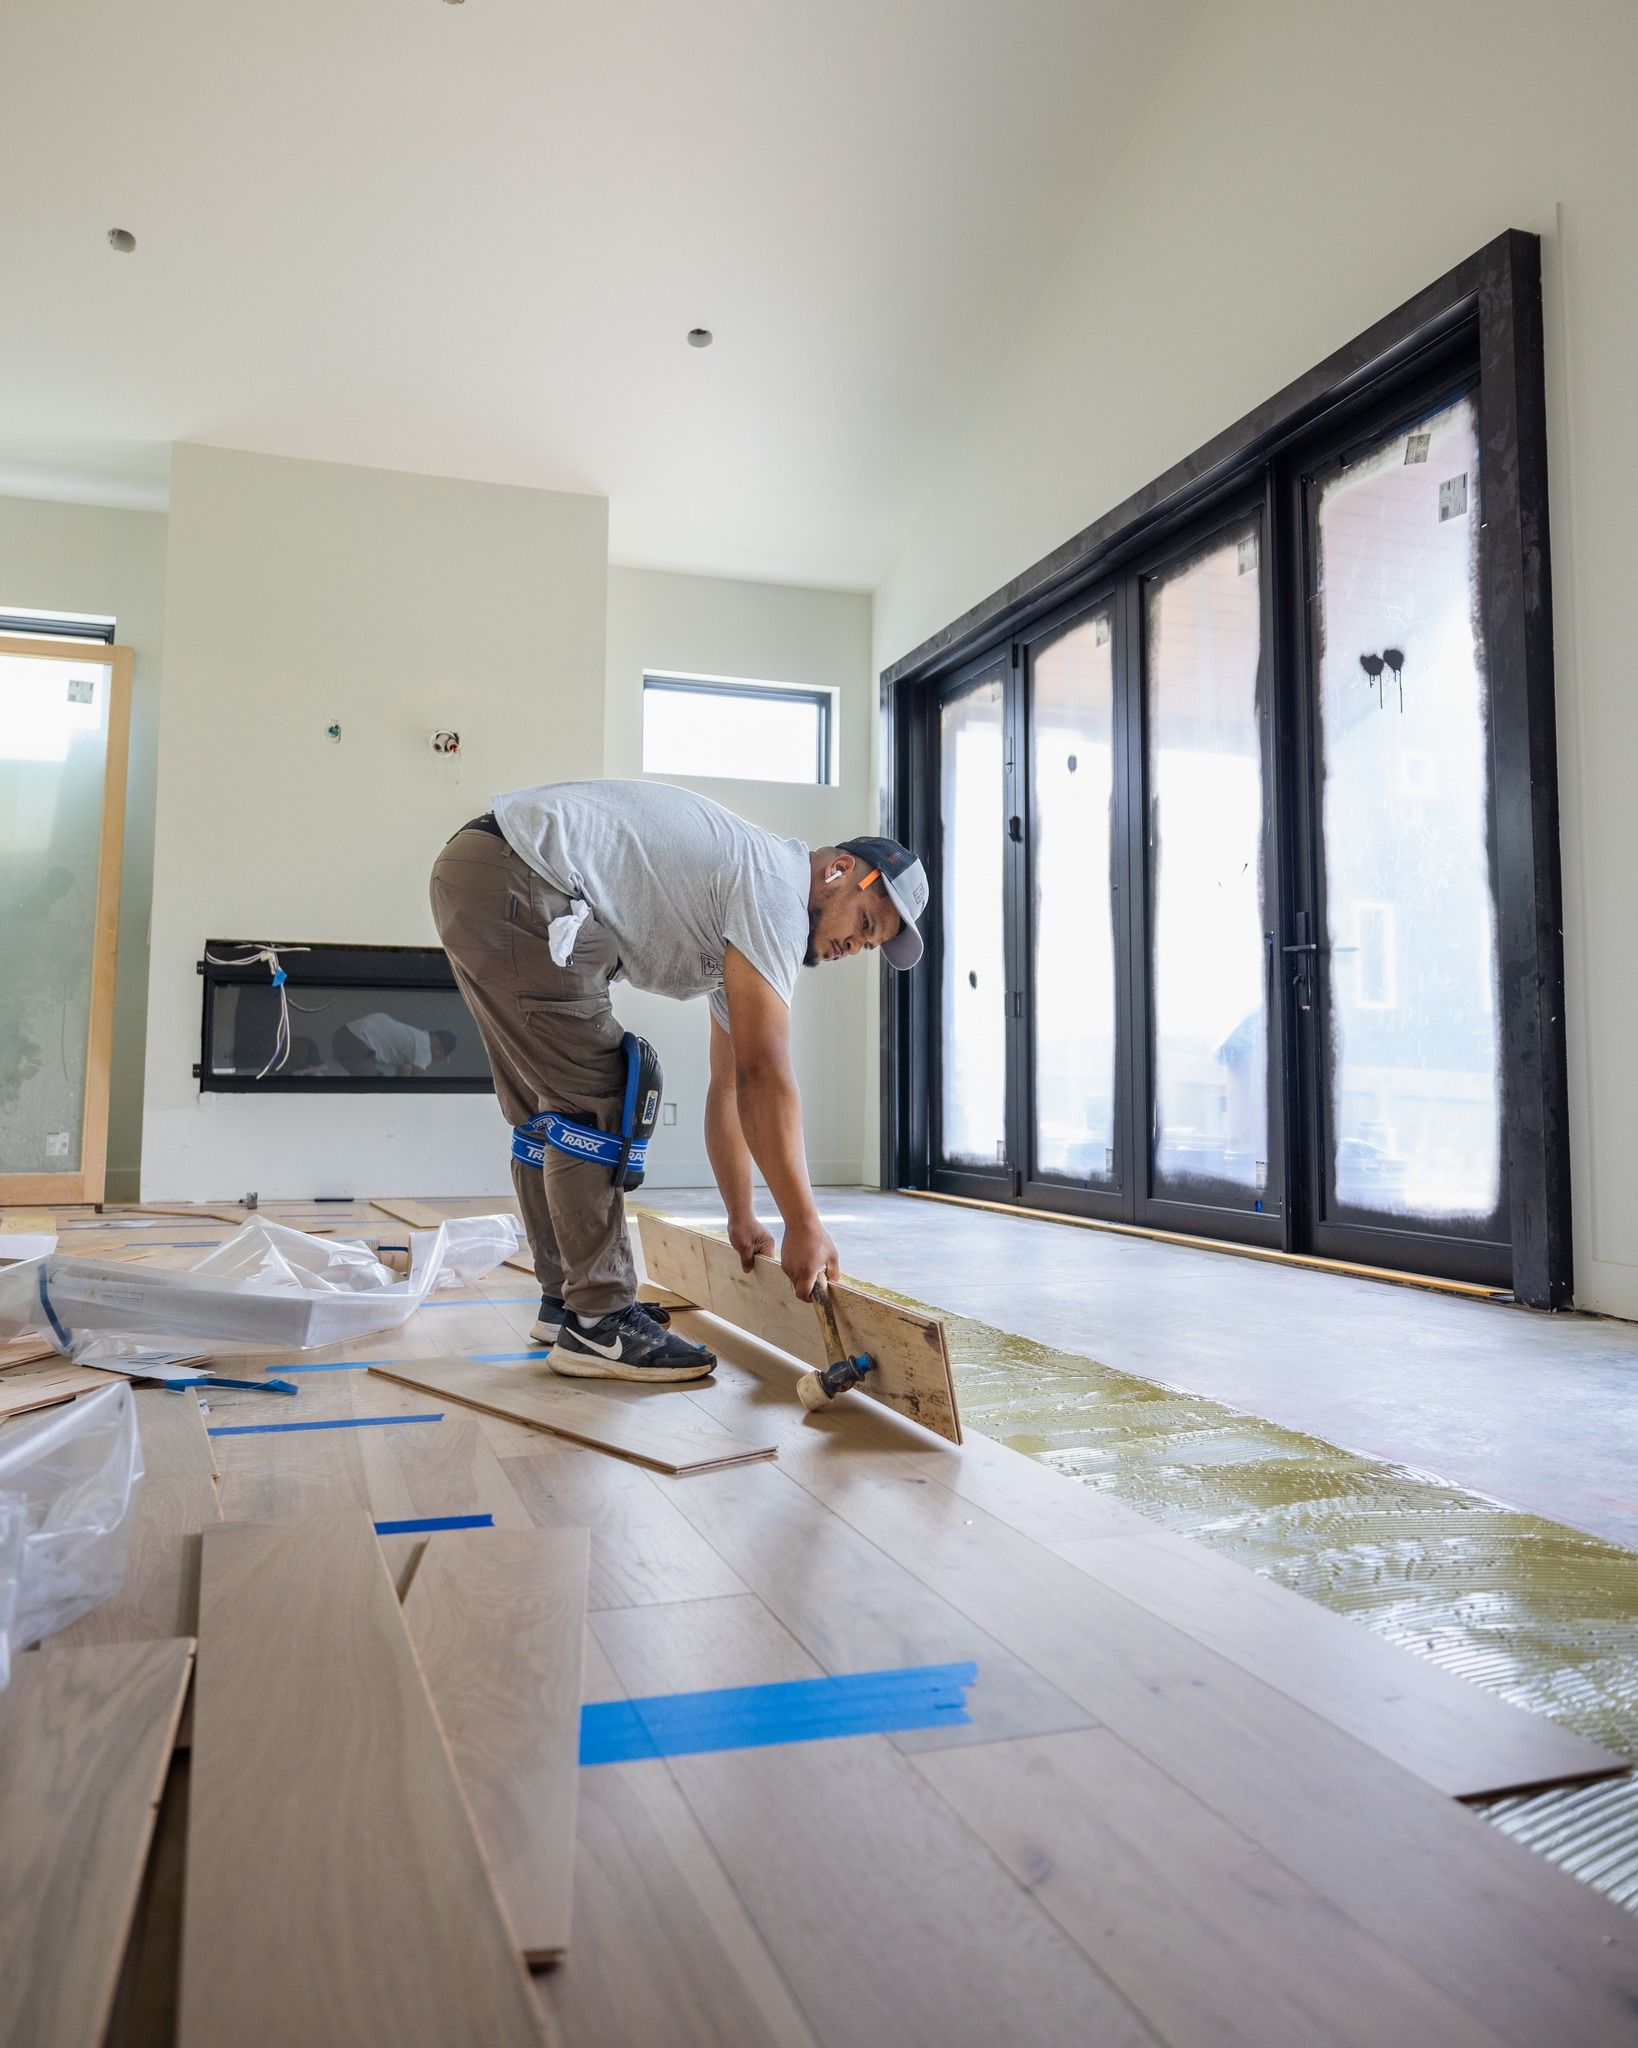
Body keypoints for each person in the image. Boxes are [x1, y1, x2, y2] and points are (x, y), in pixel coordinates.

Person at [430, 780, 927, 1384]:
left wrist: (741, 1215)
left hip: (490, 870)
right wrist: (803, 1222)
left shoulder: (744, 920)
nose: (857, 944)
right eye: (866, 919)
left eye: (870, 943)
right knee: (603, 1095)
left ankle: (567, 1301)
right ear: (841, 870)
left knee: (548, 1109)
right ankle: (599, 1324)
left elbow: (728, 1086)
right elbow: (764, 1075)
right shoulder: (774, 890)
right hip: (523, 877)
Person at [332, 1012, 458, 1078]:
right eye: (439, 1057)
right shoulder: (425, 1046)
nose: (434, 1059)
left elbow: (403, 1075)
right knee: (373, 1089)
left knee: (377, 1080)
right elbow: (418, 1083)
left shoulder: (414, 1041)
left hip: (345, 1035)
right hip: (356, 1041)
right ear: (439, 1050)